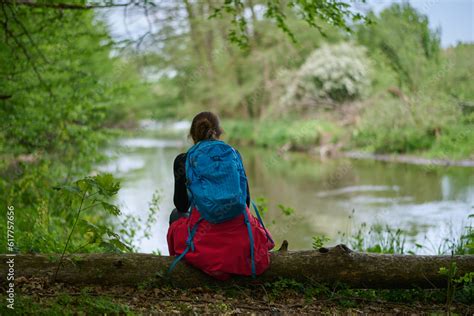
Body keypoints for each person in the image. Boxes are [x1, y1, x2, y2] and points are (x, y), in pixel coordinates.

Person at [167, 111, 274, 280]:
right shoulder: (233, 154)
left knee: (176, 215)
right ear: (219, 132)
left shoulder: (183, 159)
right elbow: (245, 202)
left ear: (192, 135)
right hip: (240, 241)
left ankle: (186, 269)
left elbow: (181, 206)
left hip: (205, 240)